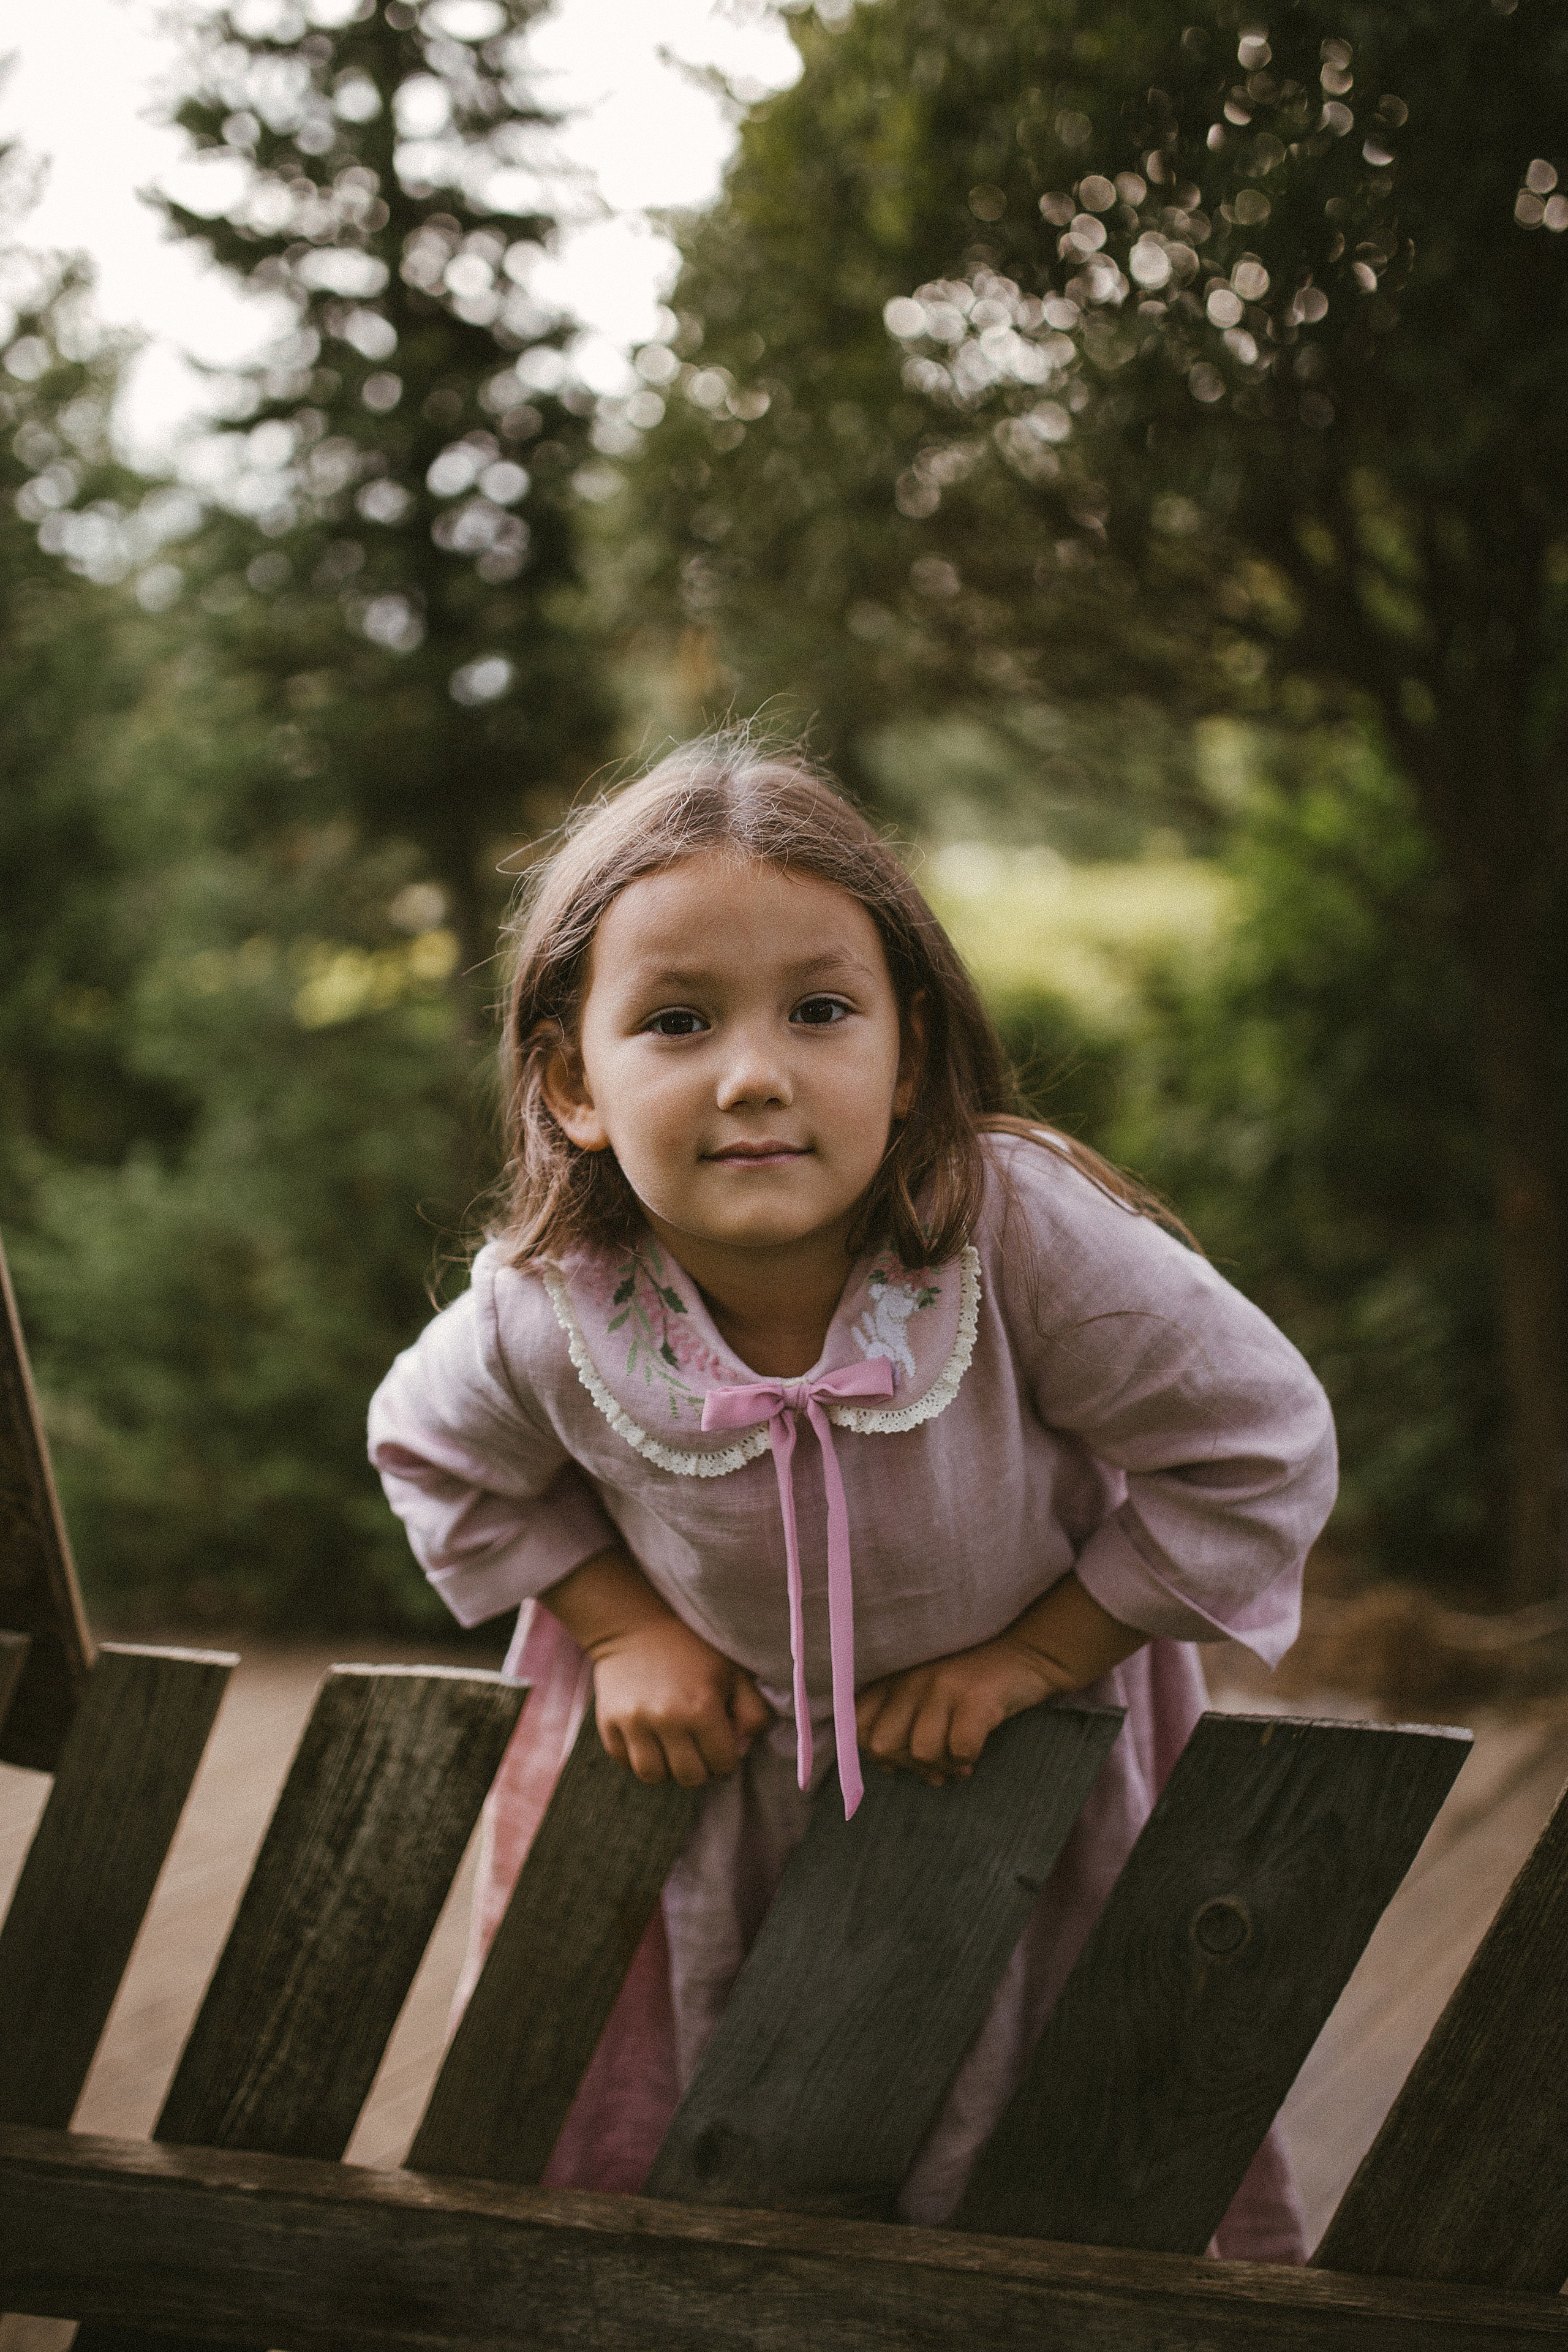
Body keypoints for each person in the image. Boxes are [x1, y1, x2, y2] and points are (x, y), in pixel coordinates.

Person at [368, 733, 1336, 2254]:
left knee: (1045, 2153)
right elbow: (432, 1457)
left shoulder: (1005, 1237)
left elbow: (1258, 1442)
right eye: (677, 1021)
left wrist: (1038, 1656)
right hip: (713, 1793)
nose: (755, 1074)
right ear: (572, 1085)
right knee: (719, 2169)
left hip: (1020, 1777)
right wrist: (621, 1629)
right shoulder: (551, 1311)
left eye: (820, 1011)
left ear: (910, 1060)